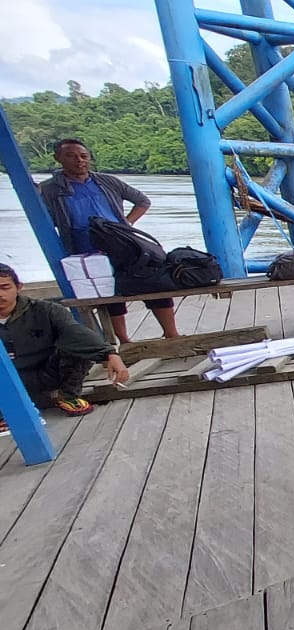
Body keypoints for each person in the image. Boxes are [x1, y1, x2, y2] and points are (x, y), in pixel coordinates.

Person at [37, 139, 180, 344]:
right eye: (71, 156)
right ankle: (122, 339)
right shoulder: (50, 189)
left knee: (152, 280)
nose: (79, 161)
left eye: (83, 156)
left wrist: (126, 224)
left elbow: (142, 201)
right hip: (84, 247)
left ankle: (171, 333)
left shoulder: (106, 181)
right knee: (107, 290)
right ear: (58, 158)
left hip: (122, 243)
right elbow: (46, 219)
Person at [0, 263, 130, 431]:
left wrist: (110, 354)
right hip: (6, 380)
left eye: (4, 287)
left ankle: (66, 395)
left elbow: (75, 332)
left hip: (47, 371)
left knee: (74, 346)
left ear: (18, 287)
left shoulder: (47, 310)